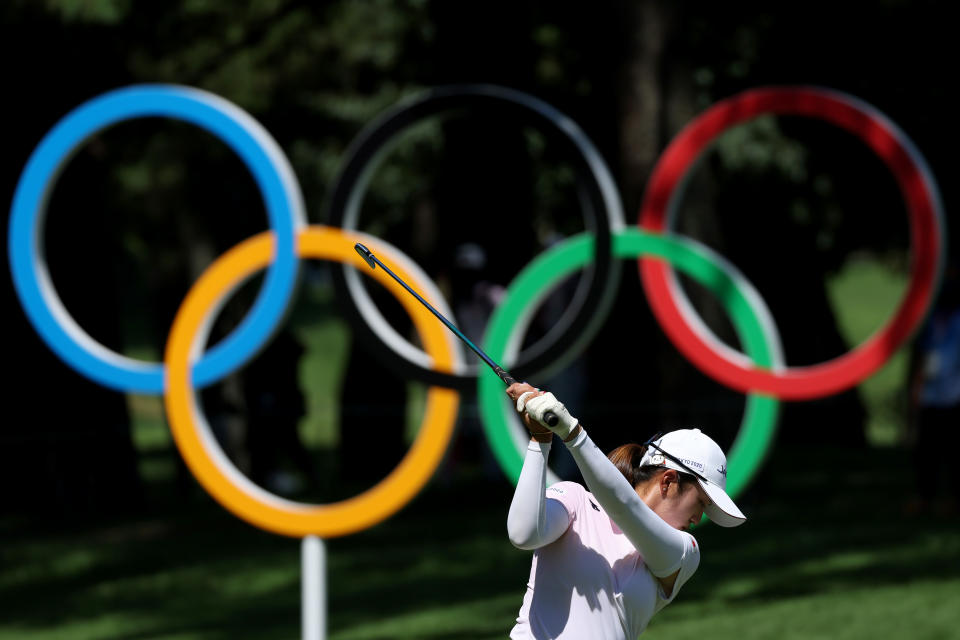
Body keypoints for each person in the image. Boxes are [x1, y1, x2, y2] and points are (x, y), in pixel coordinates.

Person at [504, 382, 745, 639]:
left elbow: (625, 507)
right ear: (668, 481)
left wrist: (572, 432)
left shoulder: (686, 552)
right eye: (701, 502)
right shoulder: (575, 501)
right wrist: (540, 439)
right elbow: (523, 534)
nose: (698, 518)